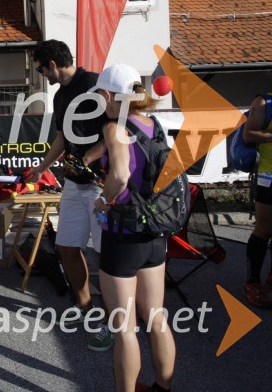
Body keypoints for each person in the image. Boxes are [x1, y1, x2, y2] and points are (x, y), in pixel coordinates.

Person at [90, 64, 175, 392]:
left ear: (111, 95)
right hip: (154, 235)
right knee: (156, 318)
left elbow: (121, 176)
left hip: (123, 237)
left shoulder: (115, 128)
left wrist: (102, 201)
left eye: (101, 95)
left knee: (124, 328)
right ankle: (162, 388)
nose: (102, 102)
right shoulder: (154, 124)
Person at [22, 40, 112, 350]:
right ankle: (86, 309)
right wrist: (41, 166)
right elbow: (61, 137)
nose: (39, 72)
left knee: (105, 254)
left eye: (39, 67)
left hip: (102, 183)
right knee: (66, 247)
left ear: (52, 64)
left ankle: (113, 322)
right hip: (74, 183)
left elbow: (116, 130)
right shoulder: (60, 96)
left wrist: (90, 158)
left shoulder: (96, 84)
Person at [242, 92, 272, 309]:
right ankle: (252, 282)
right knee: (264, 228)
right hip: (270, 175)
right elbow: (248, 135)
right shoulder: (264, 102)